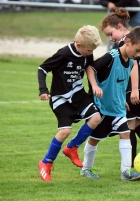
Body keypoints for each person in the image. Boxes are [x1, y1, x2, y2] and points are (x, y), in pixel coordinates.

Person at [81, 26, 140, 181]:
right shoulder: (111, 57)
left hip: (118, 108)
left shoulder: (131, 62)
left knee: (125, 133)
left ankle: (126, 172)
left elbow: (119, 83)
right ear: (128, 42)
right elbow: (90, 68)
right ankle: (86, 169)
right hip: (102, 107)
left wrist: (122, 100)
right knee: (95, 138)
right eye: (137, 50)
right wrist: (95, 86)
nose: (138, 55)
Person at [37, 25, 102, 182]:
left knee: (96, 118)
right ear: (79, 45)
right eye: (89, 50)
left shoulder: (87, 53)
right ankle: (45, 163)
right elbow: (42, 69)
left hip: (79, 95)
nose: (91, 54)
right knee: (65, 131)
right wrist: (43, 90)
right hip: (61, 98)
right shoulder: (64, 54)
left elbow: (88, 68)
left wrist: (93, 87)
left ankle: (72, 148)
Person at [100, 8, 140, 165]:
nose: (110, 38)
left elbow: (133, 66)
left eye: (110, 34)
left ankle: (132, 163)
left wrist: (134, 89)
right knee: (138, 124)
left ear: (120, 27)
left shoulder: (124, 44)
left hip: (132, 90)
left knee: (128, 127)